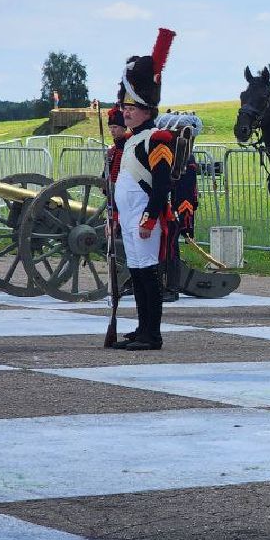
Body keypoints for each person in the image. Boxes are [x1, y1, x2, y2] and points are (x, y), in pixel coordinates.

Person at [113, 29, 177, 351]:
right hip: (129, 216)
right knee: (137, 274)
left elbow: (161, 184)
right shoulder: (131, 140)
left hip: (144, 217)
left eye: (133, 107)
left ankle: (153, 333)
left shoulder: (157, 140)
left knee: (149, 274)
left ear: (148, 110)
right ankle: (142, 328)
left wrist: (151, 216)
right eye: (125, 106)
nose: (126, 111)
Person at [155, 112, 202, 303]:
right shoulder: (169, 155)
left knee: (171, 247)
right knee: (161, 248)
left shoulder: (187, 160)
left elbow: (186, 195)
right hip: (162, 207)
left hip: (174, 210)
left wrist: (182, 217)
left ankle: (172, 287)